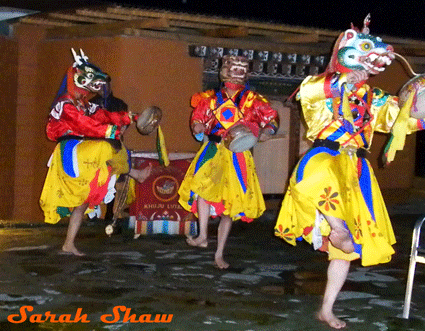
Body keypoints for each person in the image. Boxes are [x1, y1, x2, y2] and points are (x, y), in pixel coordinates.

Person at [274, 15, 422, 329]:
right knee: (315, 177)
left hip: (356, 168)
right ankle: (335, 226)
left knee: (346, 252)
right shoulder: (320, 85)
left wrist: (417, 105)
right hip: (326, 153)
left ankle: (326, 308)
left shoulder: (374, 97)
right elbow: (308, 93)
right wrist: (342, 80)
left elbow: (401, 118)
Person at [40, 49, 152, 256]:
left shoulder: (83, 103)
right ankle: (134, 173)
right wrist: (113, 131)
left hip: (83, 151)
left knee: (82, 205)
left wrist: (131, 117)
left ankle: (68, 244)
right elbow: (85, 125)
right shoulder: (65, 104)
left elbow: (103, 115)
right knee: (106, 146)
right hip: (70, 150)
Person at [178, 55, 279, 269]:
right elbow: (198, 118)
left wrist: (267, 131)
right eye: (234, 67)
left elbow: (271, 119)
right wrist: (196, 125)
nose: (238, 72)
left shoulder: (253, 99)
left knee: (230, 207)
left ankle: (219, 253)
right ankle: (203, 235)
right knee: (202, 189)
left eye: (243, 68)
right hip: (213, 150)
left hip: (238, 154)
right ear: (225, 70)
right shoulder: (210, 98)